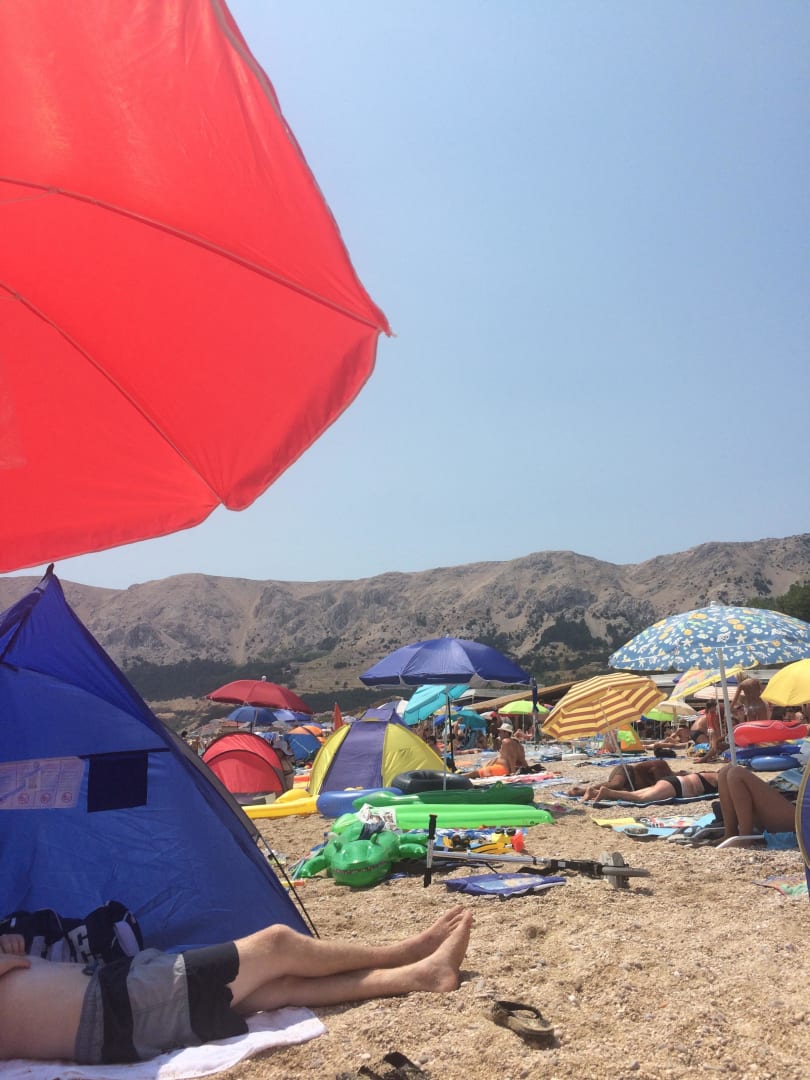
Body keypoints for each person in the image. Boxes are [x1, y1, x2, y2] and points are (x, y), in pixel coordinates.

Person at [0, 908, 473, 1064]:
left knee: (278, 988)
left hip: (120, 1000)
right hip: (119, 1007)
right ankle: (405, 951)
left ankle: (420, 974)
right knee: (277, 945)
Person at [715, 764, 797, 844]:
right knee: (725, 771)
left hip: (798, 816)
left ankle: (745, 838)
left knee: (736, 774)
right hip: (787, 800)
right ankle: (730, 834)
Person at [572, 764, 720, 804]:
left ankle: (595, 792)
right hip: (676, 787)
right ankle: (604, 791)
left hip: (671, 784)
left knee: (633, 795)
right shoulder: (719, 779)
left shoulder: (707, 775)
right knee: (639, 798)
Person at [462, 721, 528, 778]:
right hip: (502, 768)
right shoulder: (518, 745)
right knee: (491, 762)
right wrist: (527, 769)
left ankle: (462, 777)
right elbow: (522, 759)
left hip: (502, 769)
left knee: (475, 773)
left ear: (506, 733)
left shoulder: (506, 741)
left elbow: (511, 757)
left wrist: (513, 772)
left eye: (501, 732)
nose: (499, 734)